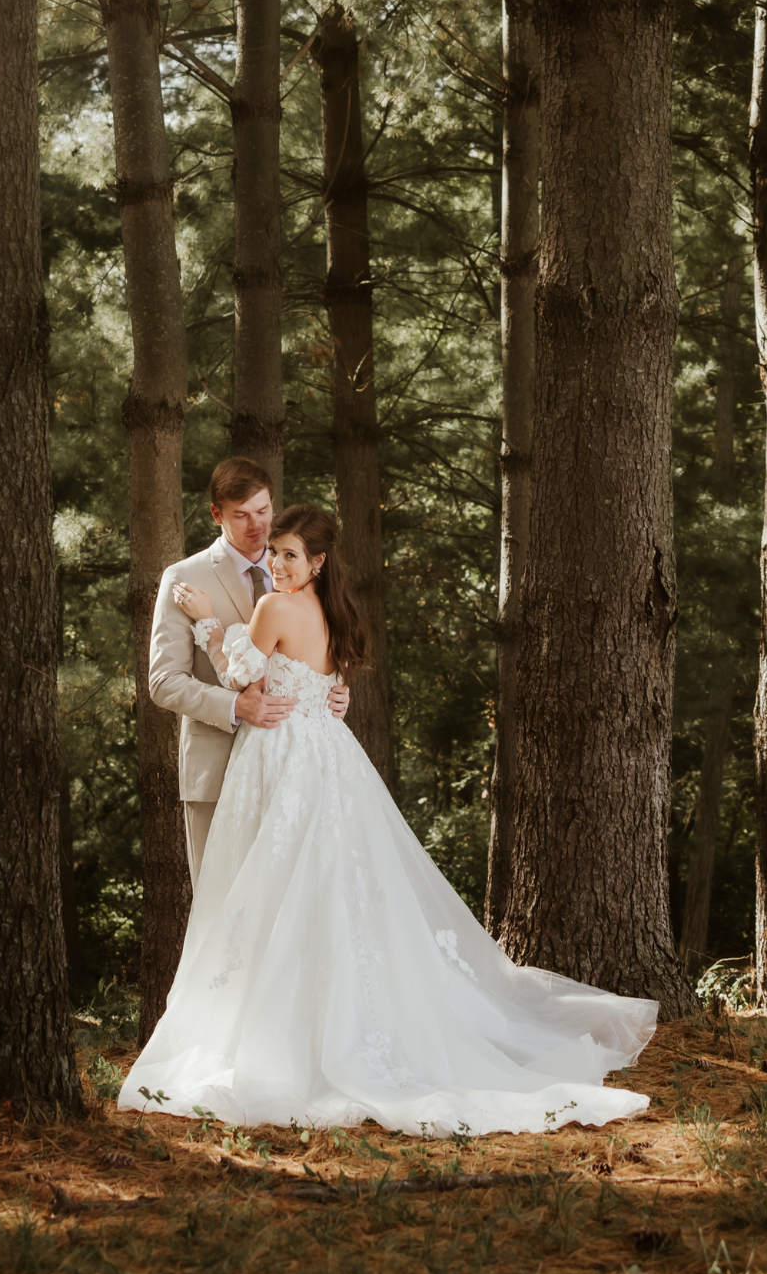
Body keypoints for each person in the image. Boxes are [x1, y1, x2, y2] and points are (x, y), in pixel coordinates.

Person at [121, 504, 657, 1137]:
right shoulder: (333, 610)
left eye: (291, 554)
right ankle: (318, 1023)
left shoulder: (273, 608)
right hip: (328, 758)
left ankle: (288, 1034)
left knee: (278, 887)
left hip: (285, 755)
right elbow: (326, 683)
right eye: (275, 553)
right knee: (322, 892)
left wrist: (209, 623)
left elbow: (241, 674)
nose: (276, 563)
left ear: (317, 562)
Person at [148, 458, 348, 886]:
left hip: (295, 775)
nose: (257, 525)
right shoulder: (183, 578)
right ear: (217, 514)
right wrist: (236, 705)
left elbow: (318, 651)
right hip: (216, 771)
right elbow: (163, 682)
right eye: (241, 515)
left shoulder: (302, 573)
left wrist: (336, 689)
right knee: (225, 911)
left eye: (263, 511)